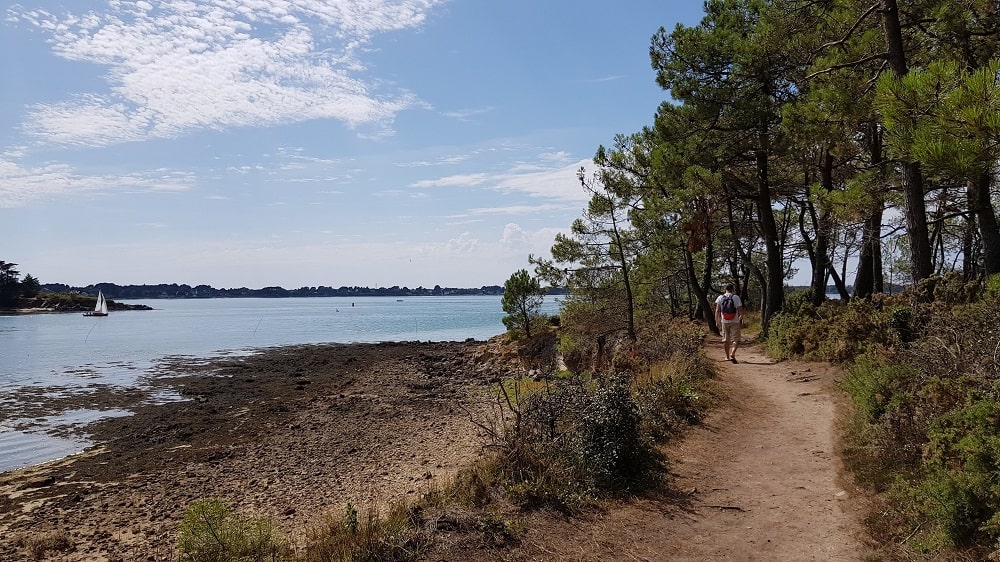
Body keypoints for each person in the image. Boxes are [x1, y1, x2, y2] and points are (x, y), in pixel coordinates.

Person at [715, 283, 745, 363]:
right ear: (732, 289)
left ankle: (727, 356)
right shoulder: (736, 297)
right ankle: (733, 353)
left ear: (725, 289)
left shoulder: (720, 297)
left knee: (726, 340)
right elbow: (740, 308)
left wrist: (717, 320)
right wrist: (741, 316)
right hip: (735, 320)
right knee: (736, 339)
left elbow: (717, 310)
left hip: (724, 321)